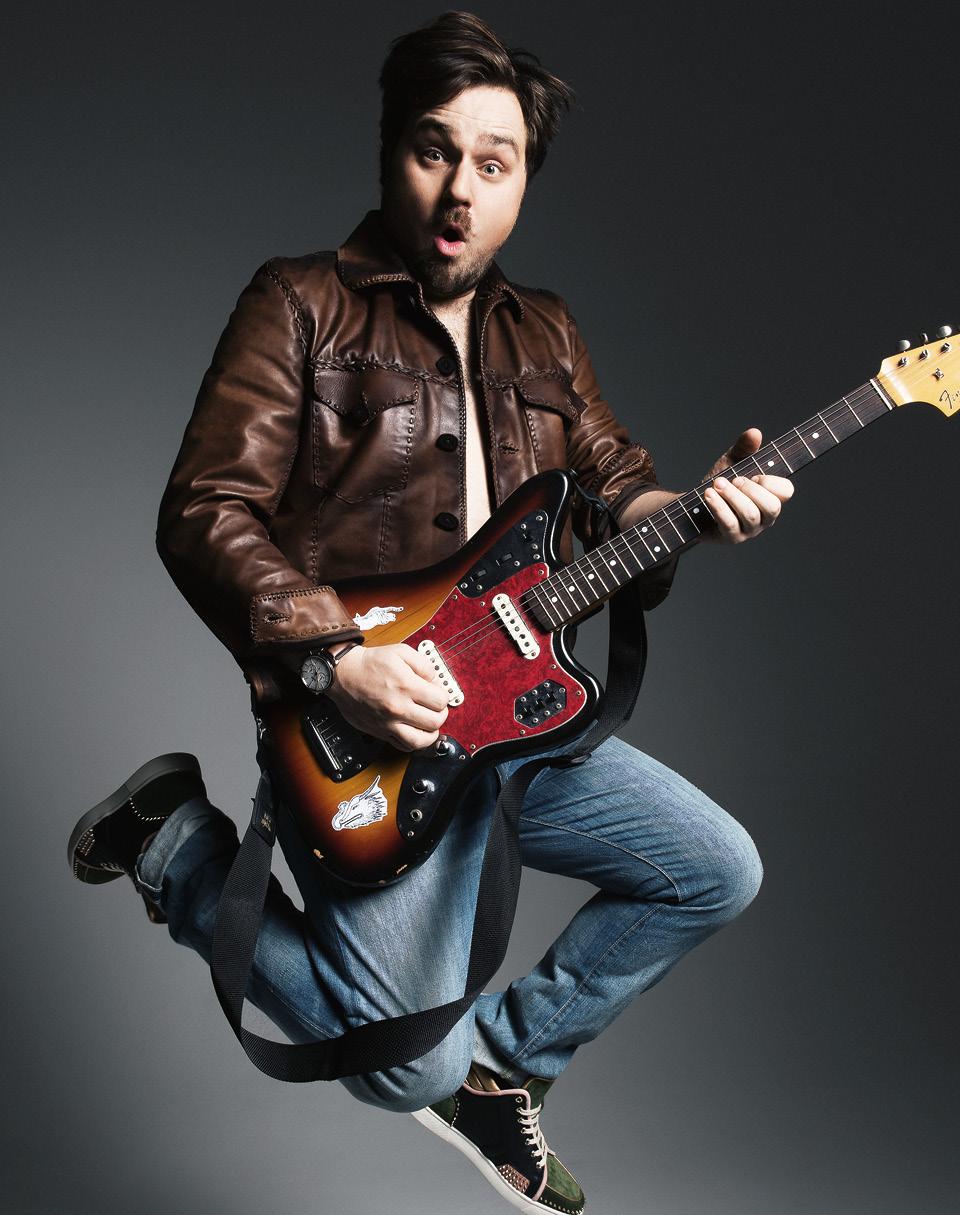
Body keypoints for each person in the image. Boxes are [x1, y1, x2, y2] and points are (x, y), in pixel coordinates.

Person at [67, 12, 794, 1214]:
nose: (462, 189)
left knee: (716, 869)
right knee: (405, 1066)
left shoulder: (546, 331)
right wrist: (336, 657)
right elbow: (204, 510)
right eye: (434, 150)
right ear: (391, 150)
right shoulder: (300, 303)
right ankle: (176, 849)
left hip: (518, 721)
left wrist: (695, 510)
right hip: (367, 726)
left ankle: (501, 1069)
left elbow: (617, 488)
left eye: (494, 164)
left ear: (523, 181)